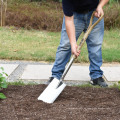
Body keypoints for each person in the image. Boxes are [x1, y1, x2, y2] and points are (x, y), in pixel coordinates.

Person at [47, 0, 109, 87]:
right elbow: (68, 20)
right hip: (75, 15)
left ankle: (96, 76)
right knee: (66, 45)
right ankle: (56, 76)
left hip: (94, 13)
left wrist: (100, 6)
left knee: (95, 46)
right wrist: (73, 44)